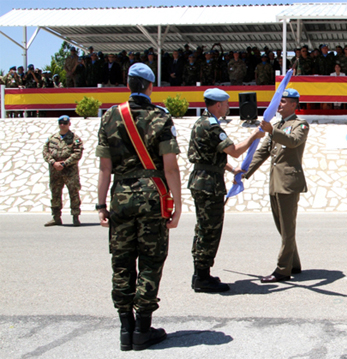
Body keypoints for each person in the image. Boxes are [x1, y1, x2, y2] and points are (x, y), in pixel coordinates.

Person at [96, 63, 182, 351]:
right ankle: (143, 330)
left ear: (128, 84)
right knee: (150, 261)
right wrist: (178, 205)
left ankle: (125, 329)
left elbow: (104, 168)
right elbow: (170, 168)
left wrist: (100, 205)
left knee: (121, 262)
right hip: (152, 198)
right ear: (150, 86)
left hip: (119, 196)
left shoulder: (109, 116)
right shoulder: (160, 117)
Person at [188, 88, 265, 293]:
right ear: (218, 104)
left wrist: (232, 169)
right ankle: (202, 278)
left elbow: (212, 156)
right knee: (210, 230)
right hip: (209, 184)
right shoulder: (212, 126)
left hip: (201, 180)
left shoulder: (199, 123)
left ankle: (200, 273)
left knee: (203, 228)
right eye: (226, 104)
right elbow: (234, 150)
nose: (228, 107)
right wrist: (253, 136)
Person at [242, 89, 309, 283]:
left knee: (288, 228)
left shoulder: (300, 125)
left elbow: (293, 141)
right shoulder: (278, 125)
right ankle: (293, 263)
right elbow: (263, 152)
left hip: (289, 183)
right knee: (282, 227)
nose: (279, 105)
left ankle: (282, 269)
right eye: (279, 102)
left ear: (294, 105)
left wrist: (272, 131)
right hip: (275, 182)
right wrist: (245, 172)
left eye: (283, 102)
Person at [42, 116, 83, 226]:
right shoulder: (52, 138)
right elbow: (45, 152)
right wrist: (53, 163)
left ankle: (75, 216)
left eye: (65, 123)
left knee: (73, 193)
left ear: (69, 124)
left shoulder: (75, 138)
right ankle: (56, 217)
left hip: (70, 171)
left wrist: (65, 163)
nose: (62, 125)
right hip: (55, 171)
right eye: (60, 123)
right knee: (55, 194)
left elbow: (77, 153)